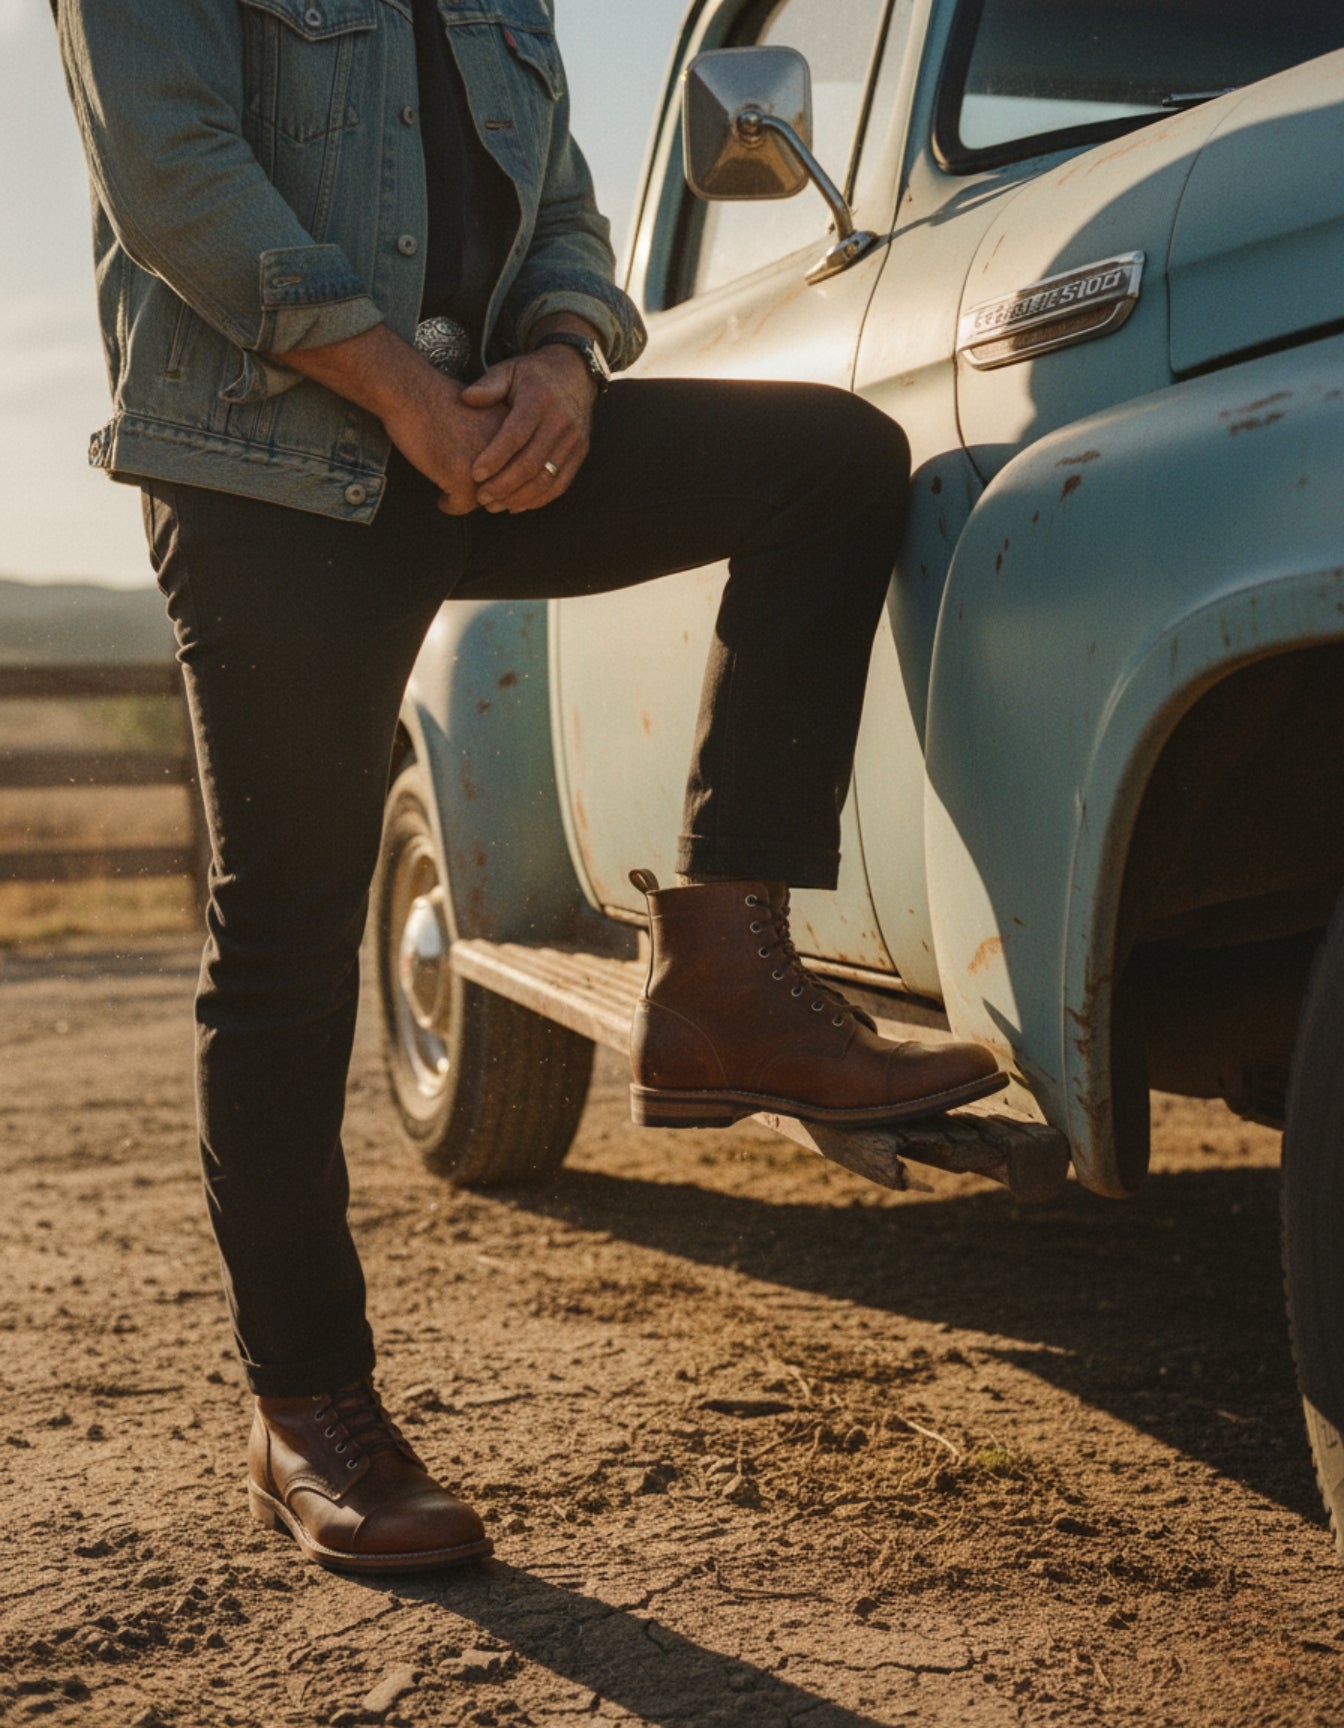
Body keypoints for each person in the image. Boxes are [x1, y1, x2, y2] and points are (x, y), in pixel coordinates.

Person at [56, 0, 1002, 1575]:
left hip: (486, 437)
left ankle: (721, 974)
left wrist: (566, 361)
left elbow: (559, 204)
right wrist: (402, 393)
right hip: (272, 469)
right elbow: (172, 171)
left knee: (831, 466)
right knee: (286, 943)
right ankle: (309, 1409)